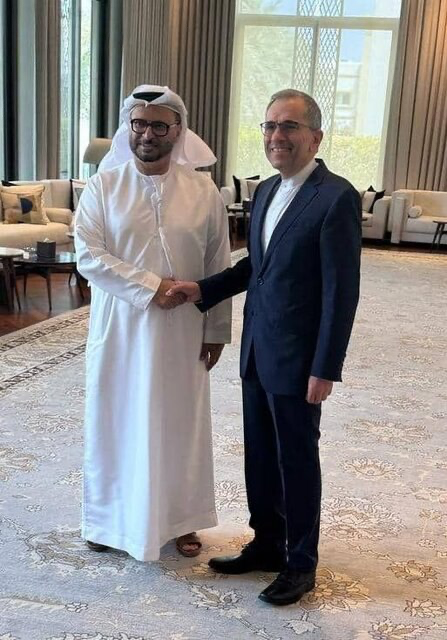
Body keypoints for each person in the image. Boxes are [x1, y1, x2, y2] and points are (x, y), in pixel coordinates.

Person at [167, 89, 362, 604]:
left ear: (315, 137)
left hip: (299, 358)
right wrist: (203, 289)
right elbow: (257, 266)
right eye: (270, 125)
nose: (277, 136)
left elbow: (341, 292)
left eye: (290, 126)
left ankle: (301, 563)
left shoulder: (336, 197)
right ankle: (268, 544)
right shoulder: (268, 191)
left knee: (295, 459)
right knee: (260, 454)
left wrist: (325, 367)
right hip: (258, 349)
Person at [75, 84, 231, 562]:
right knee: (116, 419)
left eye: (158, 125)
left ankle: (181, 519)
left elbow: (218, 264)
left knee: (180, 422)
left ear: (178, 131)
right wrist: (151, 286)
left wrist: (216, 329)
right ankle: (108, 520)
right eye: (138, 123)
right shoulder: (104, 186)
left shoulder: (203, 191)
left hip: (183, 329)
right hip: (120, 328)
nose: (147, 134)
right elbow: (88, 255)